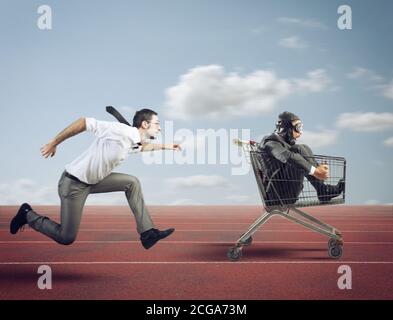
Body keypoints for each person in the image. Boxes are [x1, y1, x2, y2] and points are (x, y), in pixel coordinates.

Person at [10, 109, 180, 249]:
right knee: (66, 237)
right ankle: (27, 215)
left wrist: (167, 146)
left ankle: (147, 233)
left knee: (132, 182)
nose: (159, 128)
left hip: (94, 181)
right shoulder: (120, 131)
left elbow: (141, 148)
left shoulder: (131, 141)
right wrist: (54, 142)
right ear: (145, 124)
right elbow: (84, 122)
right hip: (73, 184)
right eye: (157, 124)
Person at [258, 111, 345, 206]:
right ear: (287, 129)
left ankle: (323, 190)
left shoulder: (279, 142)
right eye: (298, 128)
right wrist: (315, 171)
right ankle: (323, 190)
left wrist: (317, 168)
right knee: (298, 150)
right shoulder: (270, 143)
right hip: (277, 196)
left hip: (283, 191)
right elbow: (288, 156)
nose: (301, 132)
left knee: (303, 148)